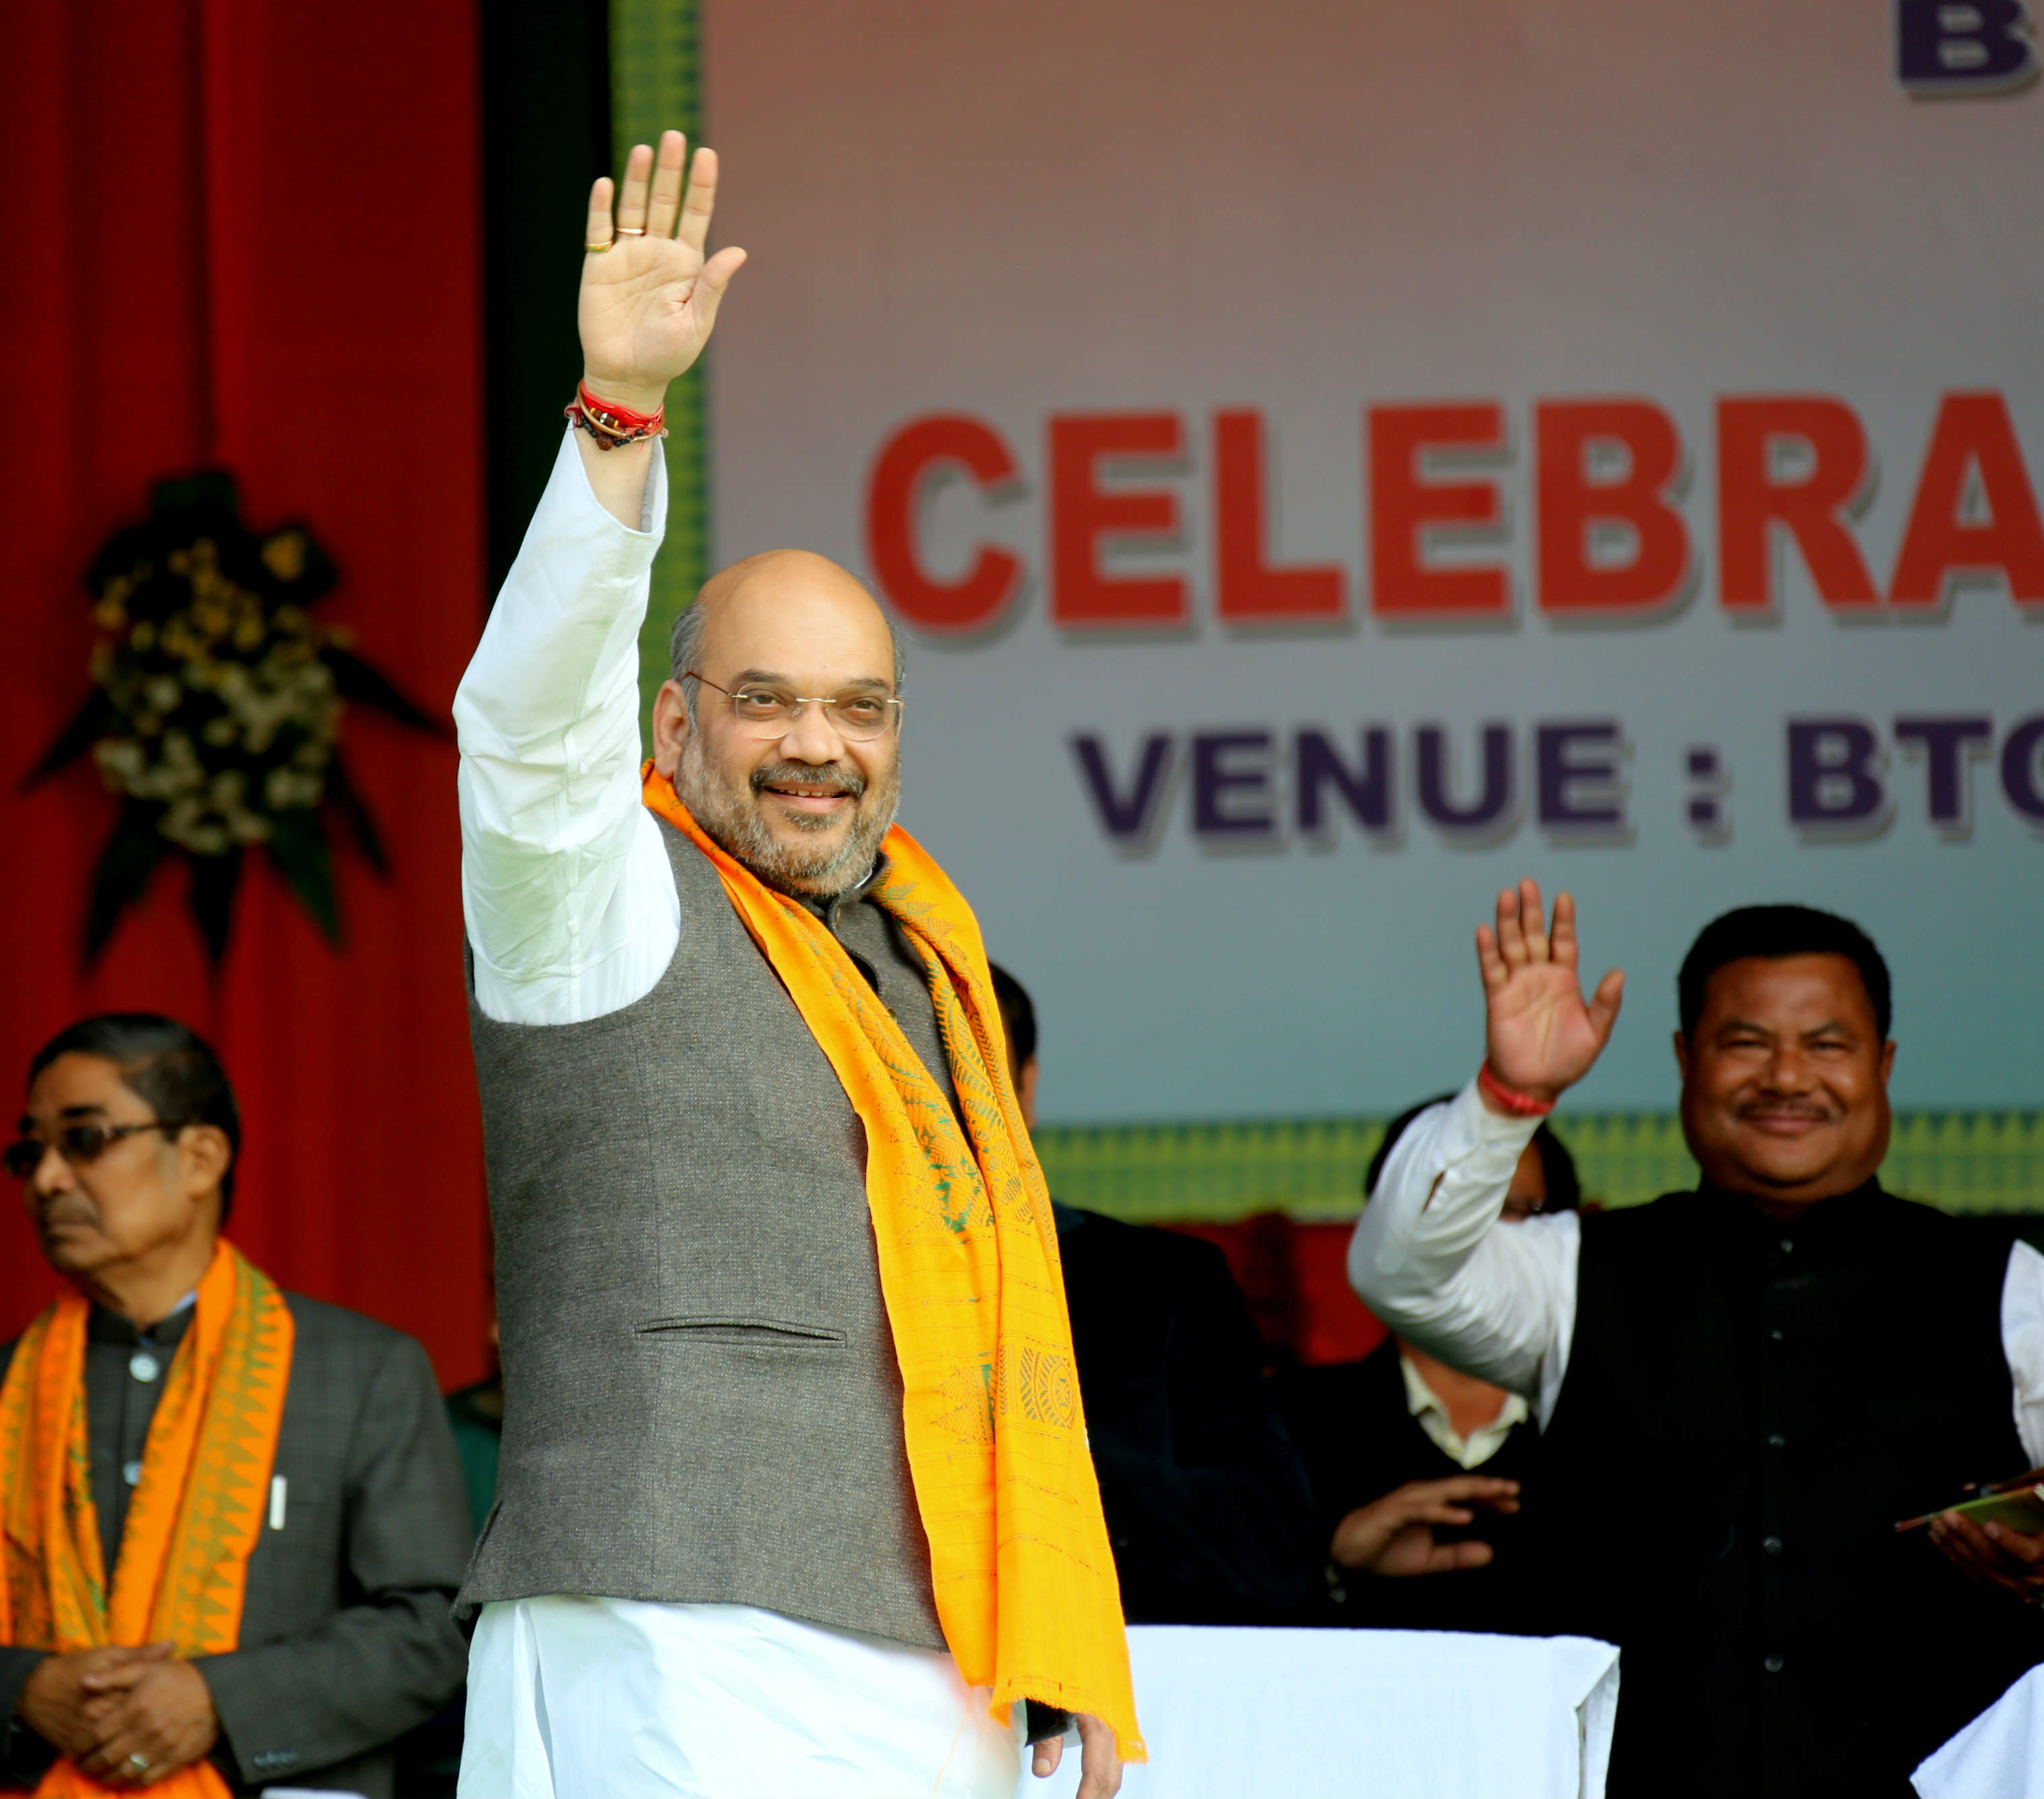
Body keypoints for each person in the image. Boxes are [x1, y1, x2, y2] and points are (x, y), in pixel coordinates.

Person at [452, 133, 1137, 1798]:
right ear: (675, 725)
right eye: (765, 702)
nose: (815, 749)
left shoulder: (924, 958)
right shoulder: (593, 900)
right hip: (676, 1630)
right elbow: (529, 730)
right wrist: (615, 419)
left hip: (944, 1657)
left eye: (858, 709)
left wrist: (1062, 1648)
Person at [1350, 884, 2044, 1798]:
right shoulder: (1573, 1267)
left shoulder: (2005, 1281)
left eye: (1827, 1044)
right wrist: (1508, 1095)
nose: (1785, 1077)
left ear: (1882, 1062)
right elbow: (1401, 1270)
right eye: (1746, 1042)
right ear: (1686, 1057)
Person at [0, 1015, 470, 1798]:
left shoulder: (362, 1374)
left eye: (85, 1140)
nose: (48, 1179)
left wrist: (218, 1701)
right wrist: (25, 1692)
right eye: (32, 1152)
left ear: (200, 1158)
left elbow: (432, 1629)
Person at [988, 963, 1315, 1624]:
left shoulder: (1163, 1283)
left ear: (1026, 1087)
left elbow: (1273, 1547)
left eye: (971, 1071)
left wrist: (1051, 1464)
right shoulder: (819, 1290)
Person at [1281, 1098, 1578, 1634]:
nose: (1479, 1240)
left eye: (1517, 1212)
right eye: (1450, 1211)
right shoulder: (1289, 1422)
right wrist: (1335, 1562)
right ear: (1380, 1229)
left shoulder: (1614, 1424)